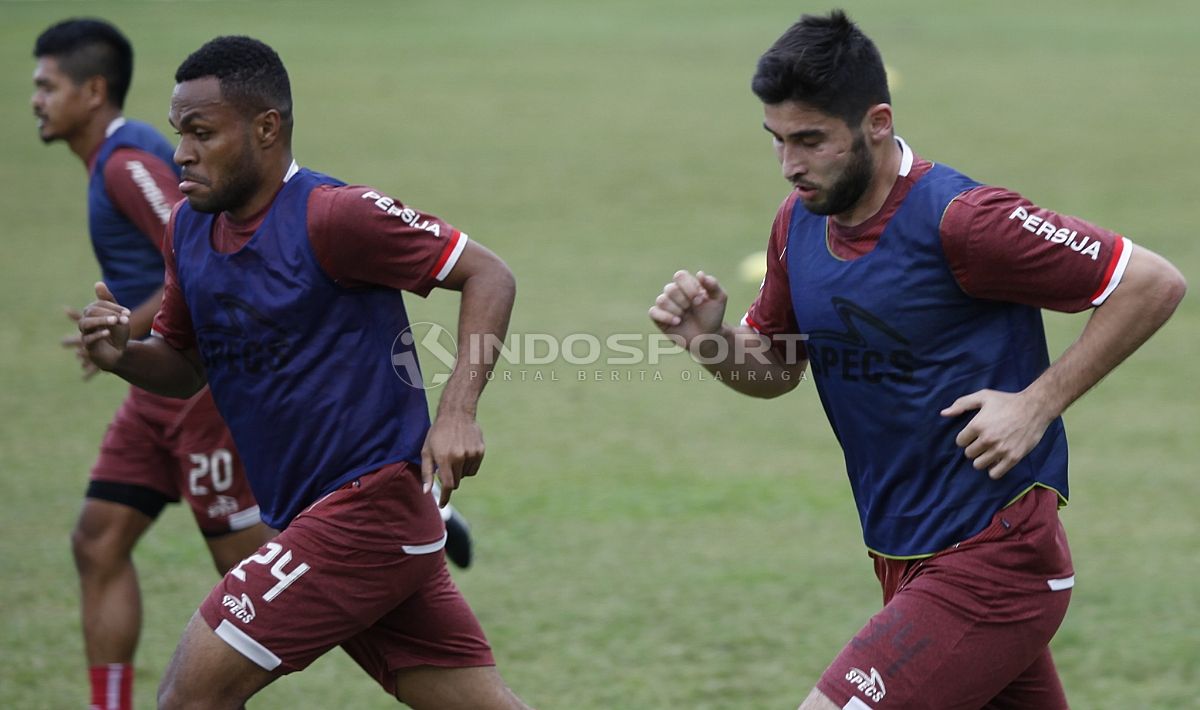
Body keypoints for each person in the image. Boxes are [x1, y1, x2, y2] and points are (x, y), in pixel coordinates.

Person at [649, 10, 1185, 709]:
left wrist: (1036, 404)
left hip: (994, 560)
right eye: (777, 141)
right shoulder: (797, 223)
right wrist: (711, 343)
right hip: (902, 555)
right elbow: (777, 370)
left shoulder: (964, 219)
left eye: (811, 140)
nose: (791, 166)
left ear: (876, 122)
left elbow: (1151, 282)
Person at [79, 35, 528, 709]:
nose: (182, 154)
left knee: (188, 698)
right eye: (179, 134)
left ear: (267, 128)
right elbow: (184, 367)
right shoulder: (188, 230)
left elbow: (488, 274)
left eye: (202, 133)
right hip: (319, 518)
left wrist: (457, 412)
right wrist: (121, 356)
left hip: (366, 513)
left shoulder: (334, 215)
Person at [31, 19, 276, 710]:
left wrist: (123, 328)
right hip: (149, 394)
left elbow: (193, 253)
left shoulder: (123, 161)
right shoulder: (116, 157)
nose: (36, 100)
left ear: (94, 90)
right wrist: (121, 341)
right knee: (97, 540)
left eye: (47, 86)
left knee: (256, 578)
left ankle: (390, 531)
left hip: (195, 390)